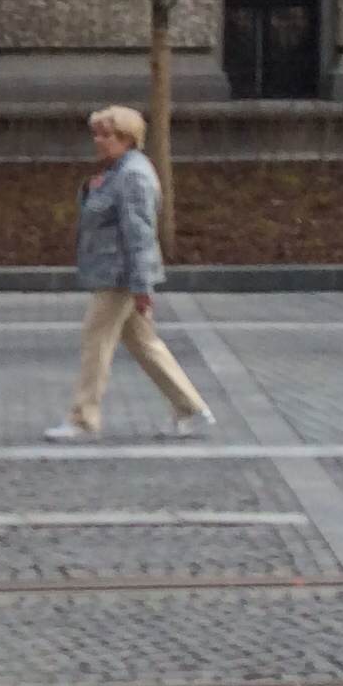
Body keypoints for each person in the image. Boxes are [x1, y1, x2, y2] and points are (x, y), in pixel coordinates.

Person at [47, 105, 217, 444]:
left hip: (119, 277)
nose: (98, 141)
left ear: (127, 138)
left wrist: (142, 286)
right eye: (96, 133)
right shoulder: (118, 172)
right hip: (116, 274)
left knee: (96, 343)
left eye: (106, 135)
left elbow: (140, 235)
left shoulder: (132, 175)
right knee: (144, 344)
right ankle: (191, 409)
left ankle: (83, 418)